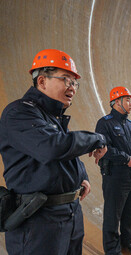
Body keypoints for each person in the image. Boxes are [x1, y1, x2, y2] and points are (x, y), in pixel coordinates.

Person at [0, 49, 107, 255]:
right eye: (66, 80)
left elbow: (64, 153)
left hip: (69, 214)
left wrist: (81, 176)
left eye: (75, 83)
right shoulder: (19, 112)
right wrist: (97, 138)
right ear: (42, 81)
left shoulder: (51, 117)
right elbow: (53, 147)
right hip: (38, 220)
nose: (72, 88)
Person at [95, 86, 131, 255]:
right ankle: (112, 249)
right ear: (117, 102)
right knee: (112, 215)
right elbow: (104, 148)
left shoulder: (130, 124)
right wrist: (126, 158)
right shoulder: (105, 123)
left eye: (130, 100)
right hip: (115, 177)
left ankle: (128, 240)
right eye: (128, 100)